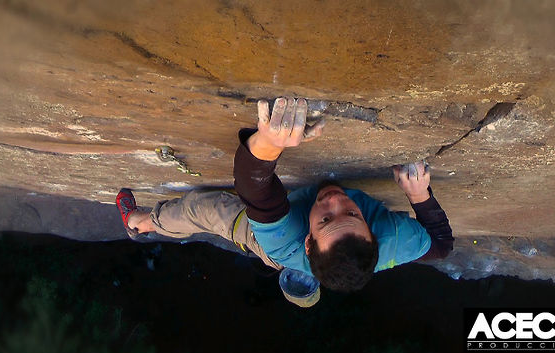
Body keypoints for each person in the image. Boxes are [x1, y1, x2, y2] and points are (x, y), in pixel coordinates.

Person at [116, 97, 453, 305]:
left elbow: (256, 191)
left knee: (202, 209)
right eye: (351, 212)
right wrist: (419, 195)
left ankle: (139, 223)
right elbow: (441, 246)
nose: (335, 200)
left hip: (274, 248)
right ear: (371, 230)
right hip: (326, 250)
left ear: (309, 242)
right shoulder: (394, 240)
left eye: (325, 219)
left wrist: (268, 143)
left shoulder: (287, 243)